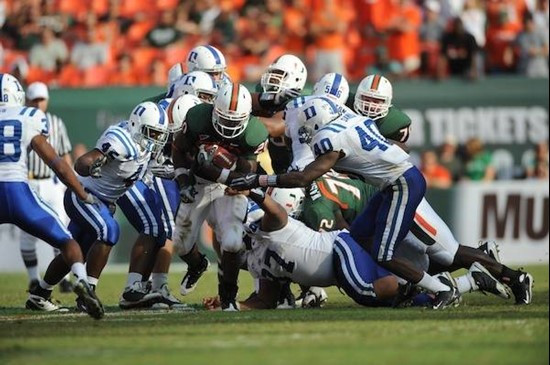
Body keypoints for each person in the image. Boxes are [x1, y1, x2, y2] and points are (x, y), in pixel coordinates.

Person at [226, 96, 462, 309]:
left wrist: (258, 180)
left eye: (310, 127)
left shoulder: (328, 139)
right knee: (362, 237)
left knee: (385, 256)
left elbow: (303, 177)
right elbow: (401, 147)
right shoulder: (352, 121)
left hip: (400, 184)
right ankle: (422, 283)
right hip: (392, 183)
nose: (308, 133)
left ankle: (441, 288)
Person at [203, 187, 509, 310]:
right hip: (339, 264)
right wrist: (231, 305)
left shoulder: (262, 227)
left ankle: (452, 281)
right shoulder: (256, 261)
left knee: (366, 293)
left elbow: (276, 214)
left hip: (339, 250)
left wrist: (253, 190)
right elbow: (265, 299)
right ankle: (472, 280)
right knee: (396, 299)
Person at [27, 101, 168, 313]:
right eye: (152, 133)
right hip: (83, 196)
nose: (156, 140)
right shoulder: (122, 140)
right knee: (110, 230)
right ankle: (88, 293)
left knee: (75, 251)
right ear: (137, 125)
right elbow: (82, 163)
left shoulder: (144, 146)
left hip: (102, 203)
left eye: (159, 134)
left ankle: (39, 294)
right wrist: (92, 166)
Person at [0, 73, 103, 319]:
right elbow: (57, 163)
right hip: (18, 191)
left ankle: (44, 292)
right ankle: (81, 280)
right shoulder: (29, 117)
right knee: (68, 242)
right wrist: (82, 193)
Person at [172, 83, 269, 311]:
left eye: (234, 121)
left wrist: (228, 162)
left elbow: (250, 170)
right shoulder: (197, 117)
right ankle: (197, 265)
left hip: (230, 186)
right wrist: (183, 180)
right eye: (224, 119)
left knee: (233, 242)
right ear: (214, 110)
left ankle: (228, 299)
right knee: (181, 244)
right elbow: (178, 149)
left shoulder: (254, 132)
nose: (227, 126)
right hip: (200, 181)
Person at [117, 94, 202, 310]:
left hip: (163, 176)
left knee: (163, 228)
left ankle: (147, 287)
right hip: (139, 177)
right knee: (161, 227)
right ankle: (148, 286)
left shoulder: (200, 119)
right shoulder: (160, 117)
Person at [18, 82, 74, 293]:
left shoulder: (56, 123)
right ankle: (33, 279)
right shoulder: (22, 121)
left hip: (51, 182)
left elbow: (65, 154)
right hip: (29, 181)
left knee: (59, 228)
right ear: (27, 100)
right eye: (35, 100)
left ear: (47, 100)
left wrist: (70, 181)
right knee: (27, 232)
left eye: (42, 99)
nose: (39, 104)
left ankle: (65, 278)